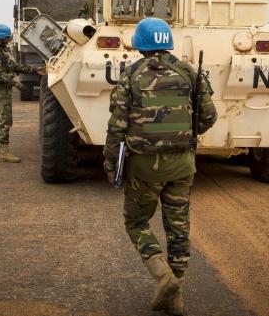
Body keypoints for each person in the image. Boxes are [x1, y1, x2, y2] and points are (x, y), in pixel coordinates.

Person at [103, 17, 218, 316]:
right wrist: (183, 136)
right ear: (167, 42)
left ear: (140, 44)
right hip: (183, 165)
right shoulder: (188, 73)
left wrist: (110, 162)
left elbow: (117, 127)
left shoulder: (130, 75)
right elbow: (209, 116)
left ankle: (163, 277)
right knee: (178, 229)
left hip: (144, 167)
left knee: (136, 222)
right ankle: (176, 296)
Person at [0, 24, 44, 162]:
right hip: (0, 88)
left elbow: (14, 67)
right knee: (4, 119)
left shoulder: (2, 51)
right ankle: (4, 153)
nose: (10, 38)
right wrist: (15, 83)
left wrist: (34, 69)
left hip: (2, 87)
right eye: (8, 37)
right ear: (4, 37)